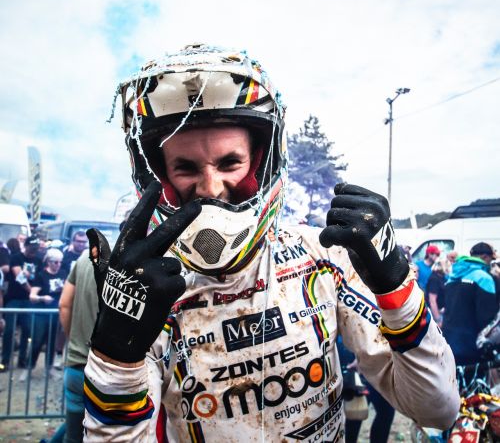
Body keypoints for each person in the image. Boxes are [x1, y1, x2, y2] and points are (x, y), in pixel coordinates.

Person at [82, 44, 459, 441]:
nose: (211, 188)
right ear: (161, 178)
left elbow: (436, 410)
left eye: (230, 163)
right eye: (185, 168)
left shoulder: (318, 256)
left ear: (260, 165)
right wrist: (116, 357)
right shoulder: (150, 291)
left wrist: (396, 286)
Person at [52, 252, 98, 443]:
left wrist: (74, 339)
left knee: (73, 433)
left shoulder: (85, 257)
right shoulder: (135, 259)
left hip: (77, 364)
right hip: (113, 373)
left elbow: (64, 304)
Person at [442, 242, 498, 365]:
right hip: (472, 345)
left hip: (449, 341)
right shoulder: (484, 278)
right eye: (491, 260)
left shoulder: (452, 276)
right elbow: (487, 318)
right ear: (485, 257)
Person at [0, 235, 42, 372]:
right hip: (14, 299)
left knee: (27, 329)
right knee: (9, 330)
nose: (34, 250)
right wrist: (32, 292)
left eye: (36, 248)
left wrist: (35, 294)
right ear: (26, 246)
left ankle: (22, 359)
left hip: (28, 301)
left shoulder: (38, 260)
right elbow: (19, 277)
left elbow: (40, 278)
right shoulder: (16, 258)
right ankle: (5, 360)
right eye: (32, 248)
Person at [27, 248, 66, 372]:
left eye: (60, 262)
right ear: (48, 262)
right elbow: (32, 296)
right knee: (37, 341)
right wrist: (42, 298)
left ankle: (49, 368)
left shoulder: (63, 273)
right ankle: (30, 367)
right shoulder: (41, 275)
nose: (58, 265)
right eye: (55, 262)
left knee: (52, 342)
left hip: (56, 312)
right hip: (41, 313)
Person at [425, 258, 450, 327]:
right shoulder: (434, 279)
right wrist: (438, 319)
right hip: (435, 313)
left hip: (441, 310)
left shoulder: (442, 277)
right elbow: (432, 300)